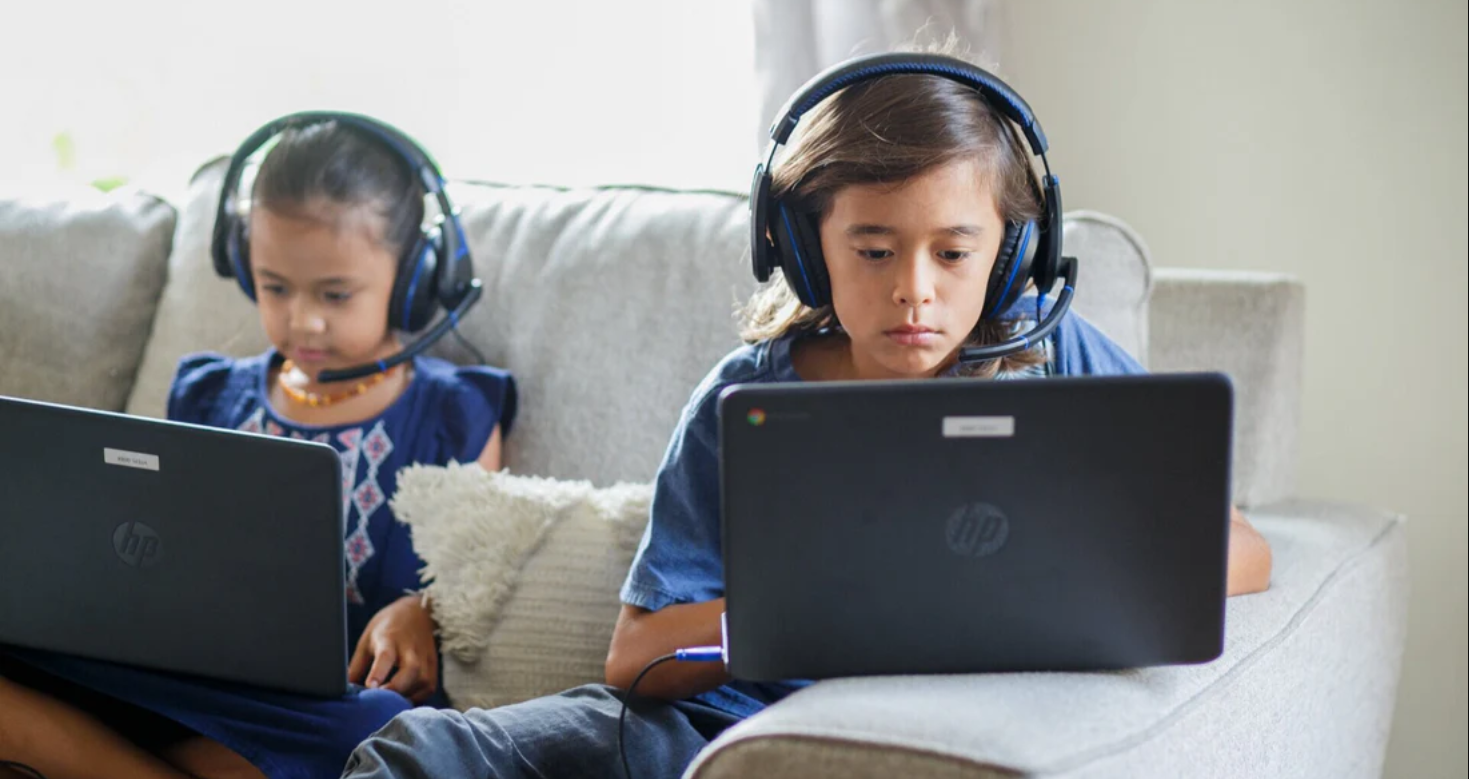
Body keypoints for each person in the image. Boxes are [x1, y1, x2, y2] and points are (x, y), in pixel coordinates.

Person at [341, 50, 1271, 779]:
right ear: (801, 246)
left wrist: (1049, 576)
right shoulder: (746, 399)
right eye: (872, 249)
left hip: (963, 729)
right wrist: (806, 610)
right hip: (728, 725)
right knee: (417, 756)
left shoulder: (1048, 353)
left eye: (953, 253)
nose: (915, 291)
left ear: (1012, 250)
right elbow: (637, 658)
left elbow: (1240, 550)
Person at [0, 116, 516, 779]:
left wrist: (422, 609)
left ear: (415, 276)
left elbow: (480, 573)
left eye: (335, 294)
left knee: (382, 734)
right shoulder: (209, 394)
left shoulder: (458, 411)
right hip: (185, 686)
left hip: (324, 708)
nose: (302, 319)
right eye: (275, 287)